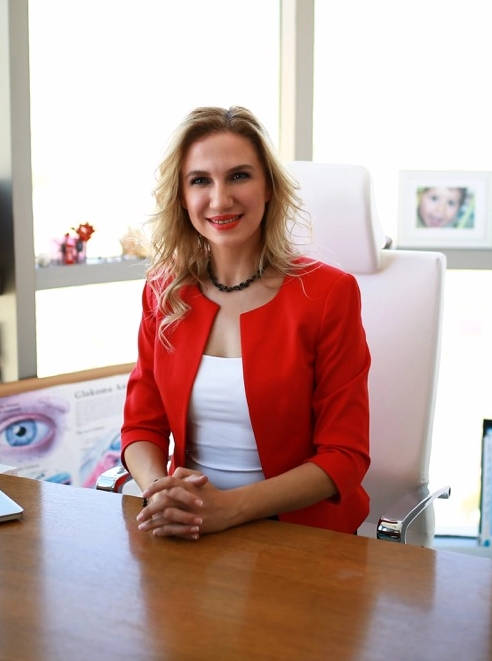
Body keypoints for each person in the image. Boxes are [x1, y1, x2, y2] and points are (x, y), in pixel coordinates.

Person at [121, 105, 371, 540]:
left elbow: (345, 455)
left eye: (239, 176)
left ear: (269, 186)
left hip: (301, 538)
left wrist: (228, 509)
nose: (220, 199)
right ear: (181, 196)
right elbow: (143, 425)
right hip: (188, 530)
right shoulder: (164, 292)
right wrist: (160, 491)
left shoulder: (329, 294)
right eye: (200, 180)